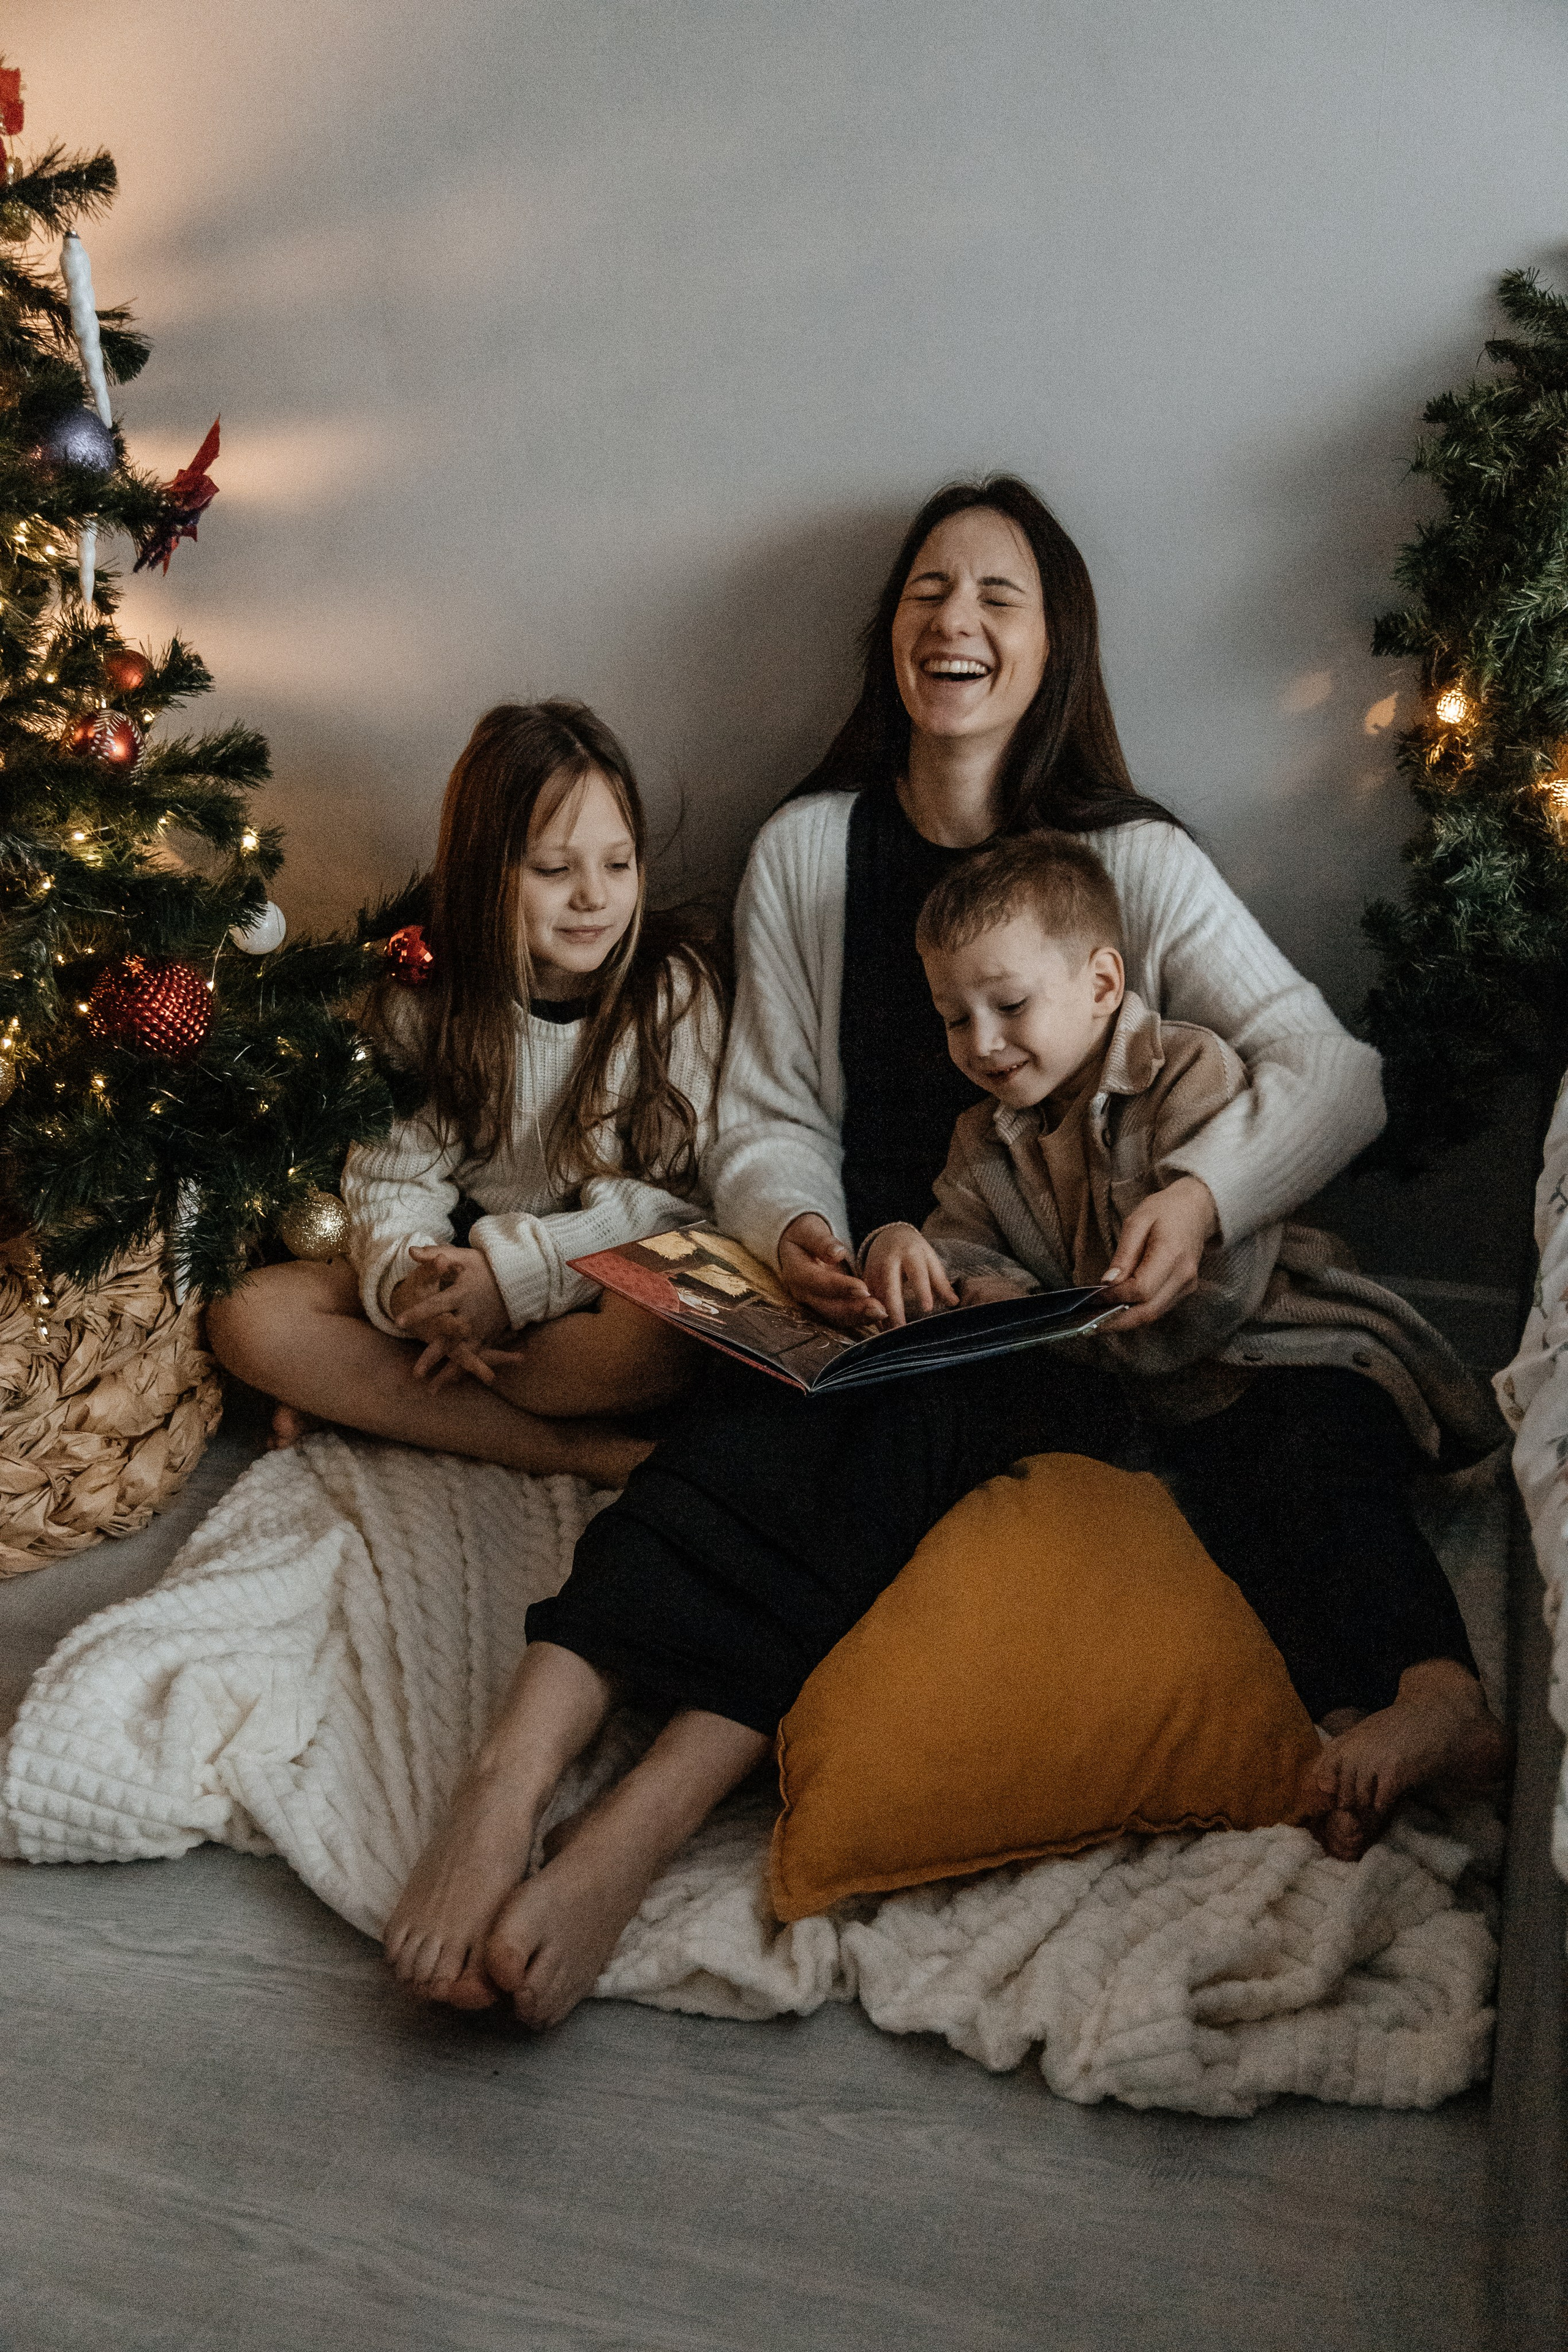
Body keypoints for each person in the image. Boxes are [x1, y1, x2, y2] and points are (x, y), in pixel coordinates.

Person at [377, 475, 1476, 2023]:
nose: (953, 623)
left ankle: (631, 1830)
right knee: (754, 1438)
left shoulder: (1128, 864)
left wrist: (1201, 1201)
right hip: (855, 1274)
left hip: (1048, 1320)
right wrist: (811, 1233)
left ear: (1050, 647)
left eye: (995, 599)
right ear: (889, 636)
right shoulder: (810, 847)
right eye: (924, 595)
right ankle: (507, 1783)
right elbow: (760, 1118)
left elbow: (1330, 1070)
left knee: (880, 1460)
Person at [859, 829, 1509, 1856]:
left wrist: (1109, 1310)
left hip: (1293, 1359)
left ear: (1103, 982)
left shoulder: (1188, 1072)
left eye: (1009, 1005)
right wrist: (924, 1255)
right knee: (1225, 1536)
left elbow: (1229, 1286)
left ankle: (1440, 1689)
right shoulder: (983, 1139)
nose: (981, 1042)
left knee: (1314, 1478)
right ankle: (1347, 1730)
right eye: (955, 1018)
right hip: (1174, 1415)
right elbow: (959, 1237)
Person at [208, 700, 725, 1487]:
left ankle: (386, 1400)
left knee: (647, 1348)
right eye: (555, 870)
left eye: (618, 865)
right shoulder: (421, 996)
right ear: (487, 874)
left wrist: (514, 1282)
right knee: (246, 1317)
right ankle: (569, 1452)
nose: (594, 896)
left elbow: (676, 1201)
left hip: (598, 1266)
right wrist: (422, 1293)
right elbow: (393, 1178)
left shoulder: (671, 990)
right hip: (454, 1253)